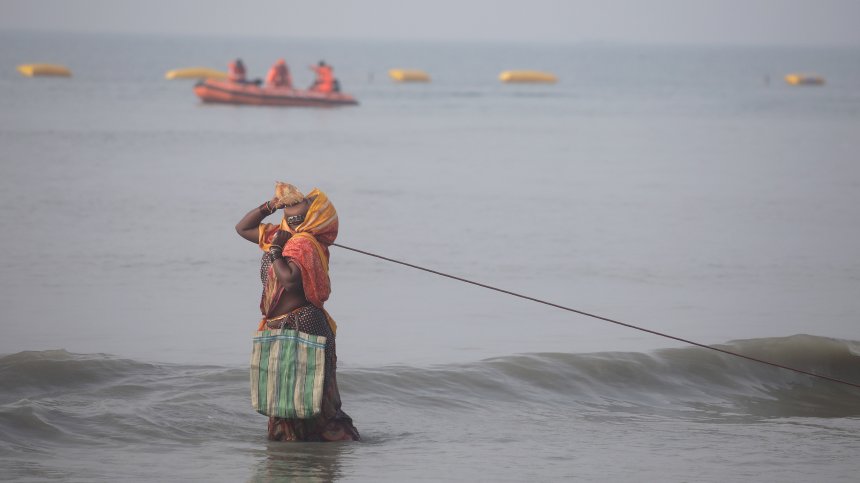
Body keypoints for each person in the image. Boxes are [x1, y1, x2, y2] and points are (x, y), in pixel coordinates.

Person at [235, 182, 360, 442]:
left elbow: (290, 280)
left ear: (312, 217)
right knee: (285, 392)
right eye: (287, 210)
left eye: (297, 212)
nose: (290, 212)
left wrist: (277, 251)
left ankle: (321, 449)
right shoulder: (284, 235)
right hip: (282, 324)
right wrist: (270, 206)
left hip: (302, 322)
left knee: (309, 390)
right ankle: (296, 452)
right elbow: (242, 228)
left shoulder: (303, 243)